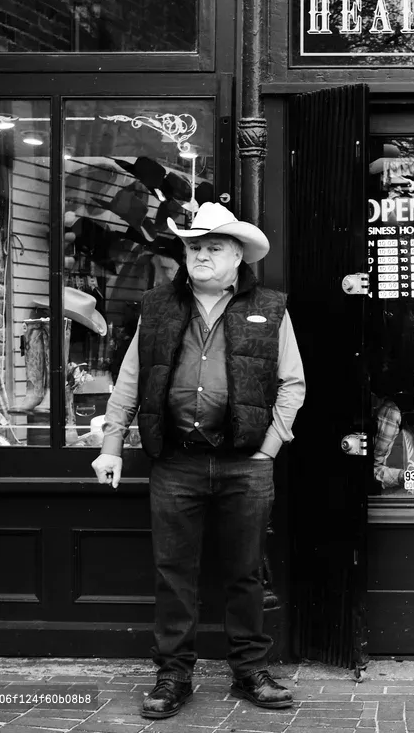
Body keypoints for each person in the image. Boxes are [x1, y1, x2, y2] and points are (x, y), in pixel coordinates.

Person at [90, 202, 305, 719]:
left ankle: (250, 670)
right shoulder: (158, 306)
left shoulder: (271, 307)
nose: (201, 255)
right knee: (174, 573)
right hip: (176, 463)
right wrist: (110, 446)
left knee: (246, 572)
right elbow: (130, 380)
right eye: (193, 247)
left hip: (245, 464)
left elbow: (292, 384)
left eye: (212, 247)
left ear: (237, 257)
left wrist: (268, 447)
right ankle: (173, 675)